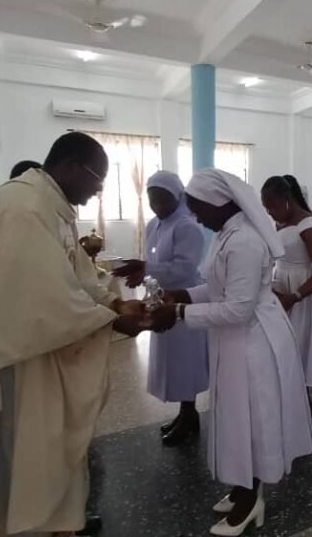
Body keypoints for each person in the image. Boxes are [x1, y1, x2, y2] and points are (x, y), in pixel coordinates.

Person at [0, 132, 147, 537]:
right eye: (97, 181)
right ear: (72, 166)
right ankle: (20, 526)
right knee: (20, 453)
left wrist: (113, 305)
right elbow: (40, 301)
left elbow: (77, 276)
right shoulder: (22, 208)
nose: (97, 193)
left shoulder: (52, 207)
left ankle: (52, 521)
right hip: (18, 358)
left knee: (46, 448)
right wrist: (111, 320)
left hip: (43, 352)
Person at [151, 168, 312, 537]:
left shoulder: (244, 241)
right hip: (236, 339)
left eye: (197, 208)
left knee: (251, 419)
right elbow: (218, 286)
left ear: (219, 202)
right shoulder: (227, 232)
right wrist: (184, 295)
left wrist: (178, 313)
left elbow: (238, 308)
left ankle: (250, 500)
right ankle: (243, 485)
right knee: (236, 417)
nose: (194, 215)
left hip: (253, 341)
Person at [114, 171, 209, 446]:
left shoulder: (188, 226)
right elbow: (153, 262)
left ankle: (189, 415)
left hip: (183, 298)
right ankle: (185, 414)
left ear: (178, 197)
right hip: (161, 297)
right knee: (170, 359)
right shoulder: (154, 224)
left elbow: (184, 268)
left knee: (184, 360)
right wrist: (144, 275)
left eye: (164, 201)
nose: (158, 207)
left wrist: (147, 269)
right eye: (153, 201)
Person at [261, 175, 312, 418]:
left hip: (308, 294)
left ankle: (305, 407)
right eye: (266, 207)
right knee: (287, 349)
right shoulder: (283, 224)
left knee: (302, 349)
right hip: (286, 288)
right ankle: (299, 404)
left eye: (273, 206)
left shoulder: (310, 226)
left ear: (287, 200)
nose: (270, 212)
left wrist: (296, 295)